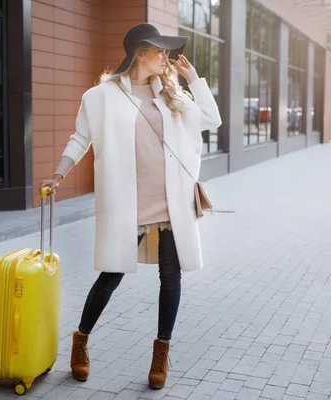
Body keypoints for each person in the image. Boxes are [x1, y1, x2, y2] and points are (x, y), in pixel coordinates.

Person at [40, 23, 222, 389]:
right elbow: (81, 138)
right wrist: (59, 174)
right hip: (129, 201)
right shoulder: (100, 97)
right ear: (140, 52)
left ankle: (161, 354)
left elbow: (211, 119)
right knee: (111, 274)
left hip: (170, 200)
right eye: (161, 52)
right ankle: (81, 341)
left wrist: (193, 78)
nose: (167, 59)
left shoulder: (172, 95)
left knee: (171, 277)